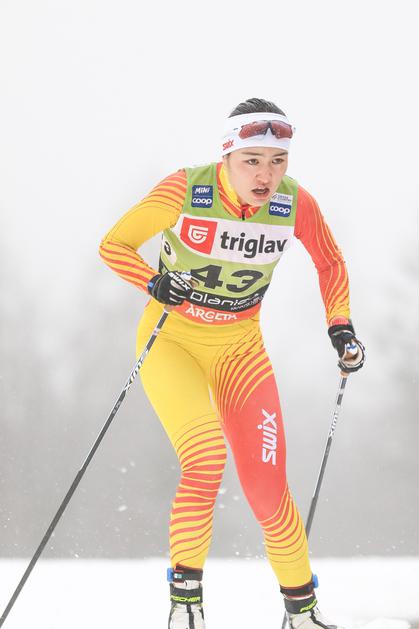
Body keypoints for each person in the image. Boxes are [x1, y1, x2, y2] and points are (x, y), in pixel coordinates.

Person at [99, 98, 365, 629]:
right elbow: (114, 245)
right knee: (205, 457)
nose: (266, 175)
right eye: (252, 161)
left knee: (268, 490)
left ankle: (303, 612)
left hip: (239, 351)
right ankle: (186, 606)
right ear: (226, 156)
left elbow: (330, 260)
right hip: (172, 343)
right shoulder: (185, 189)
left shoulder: (294, 202)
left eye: (278, 161)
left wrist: (340, 325)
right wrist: (154, 282)